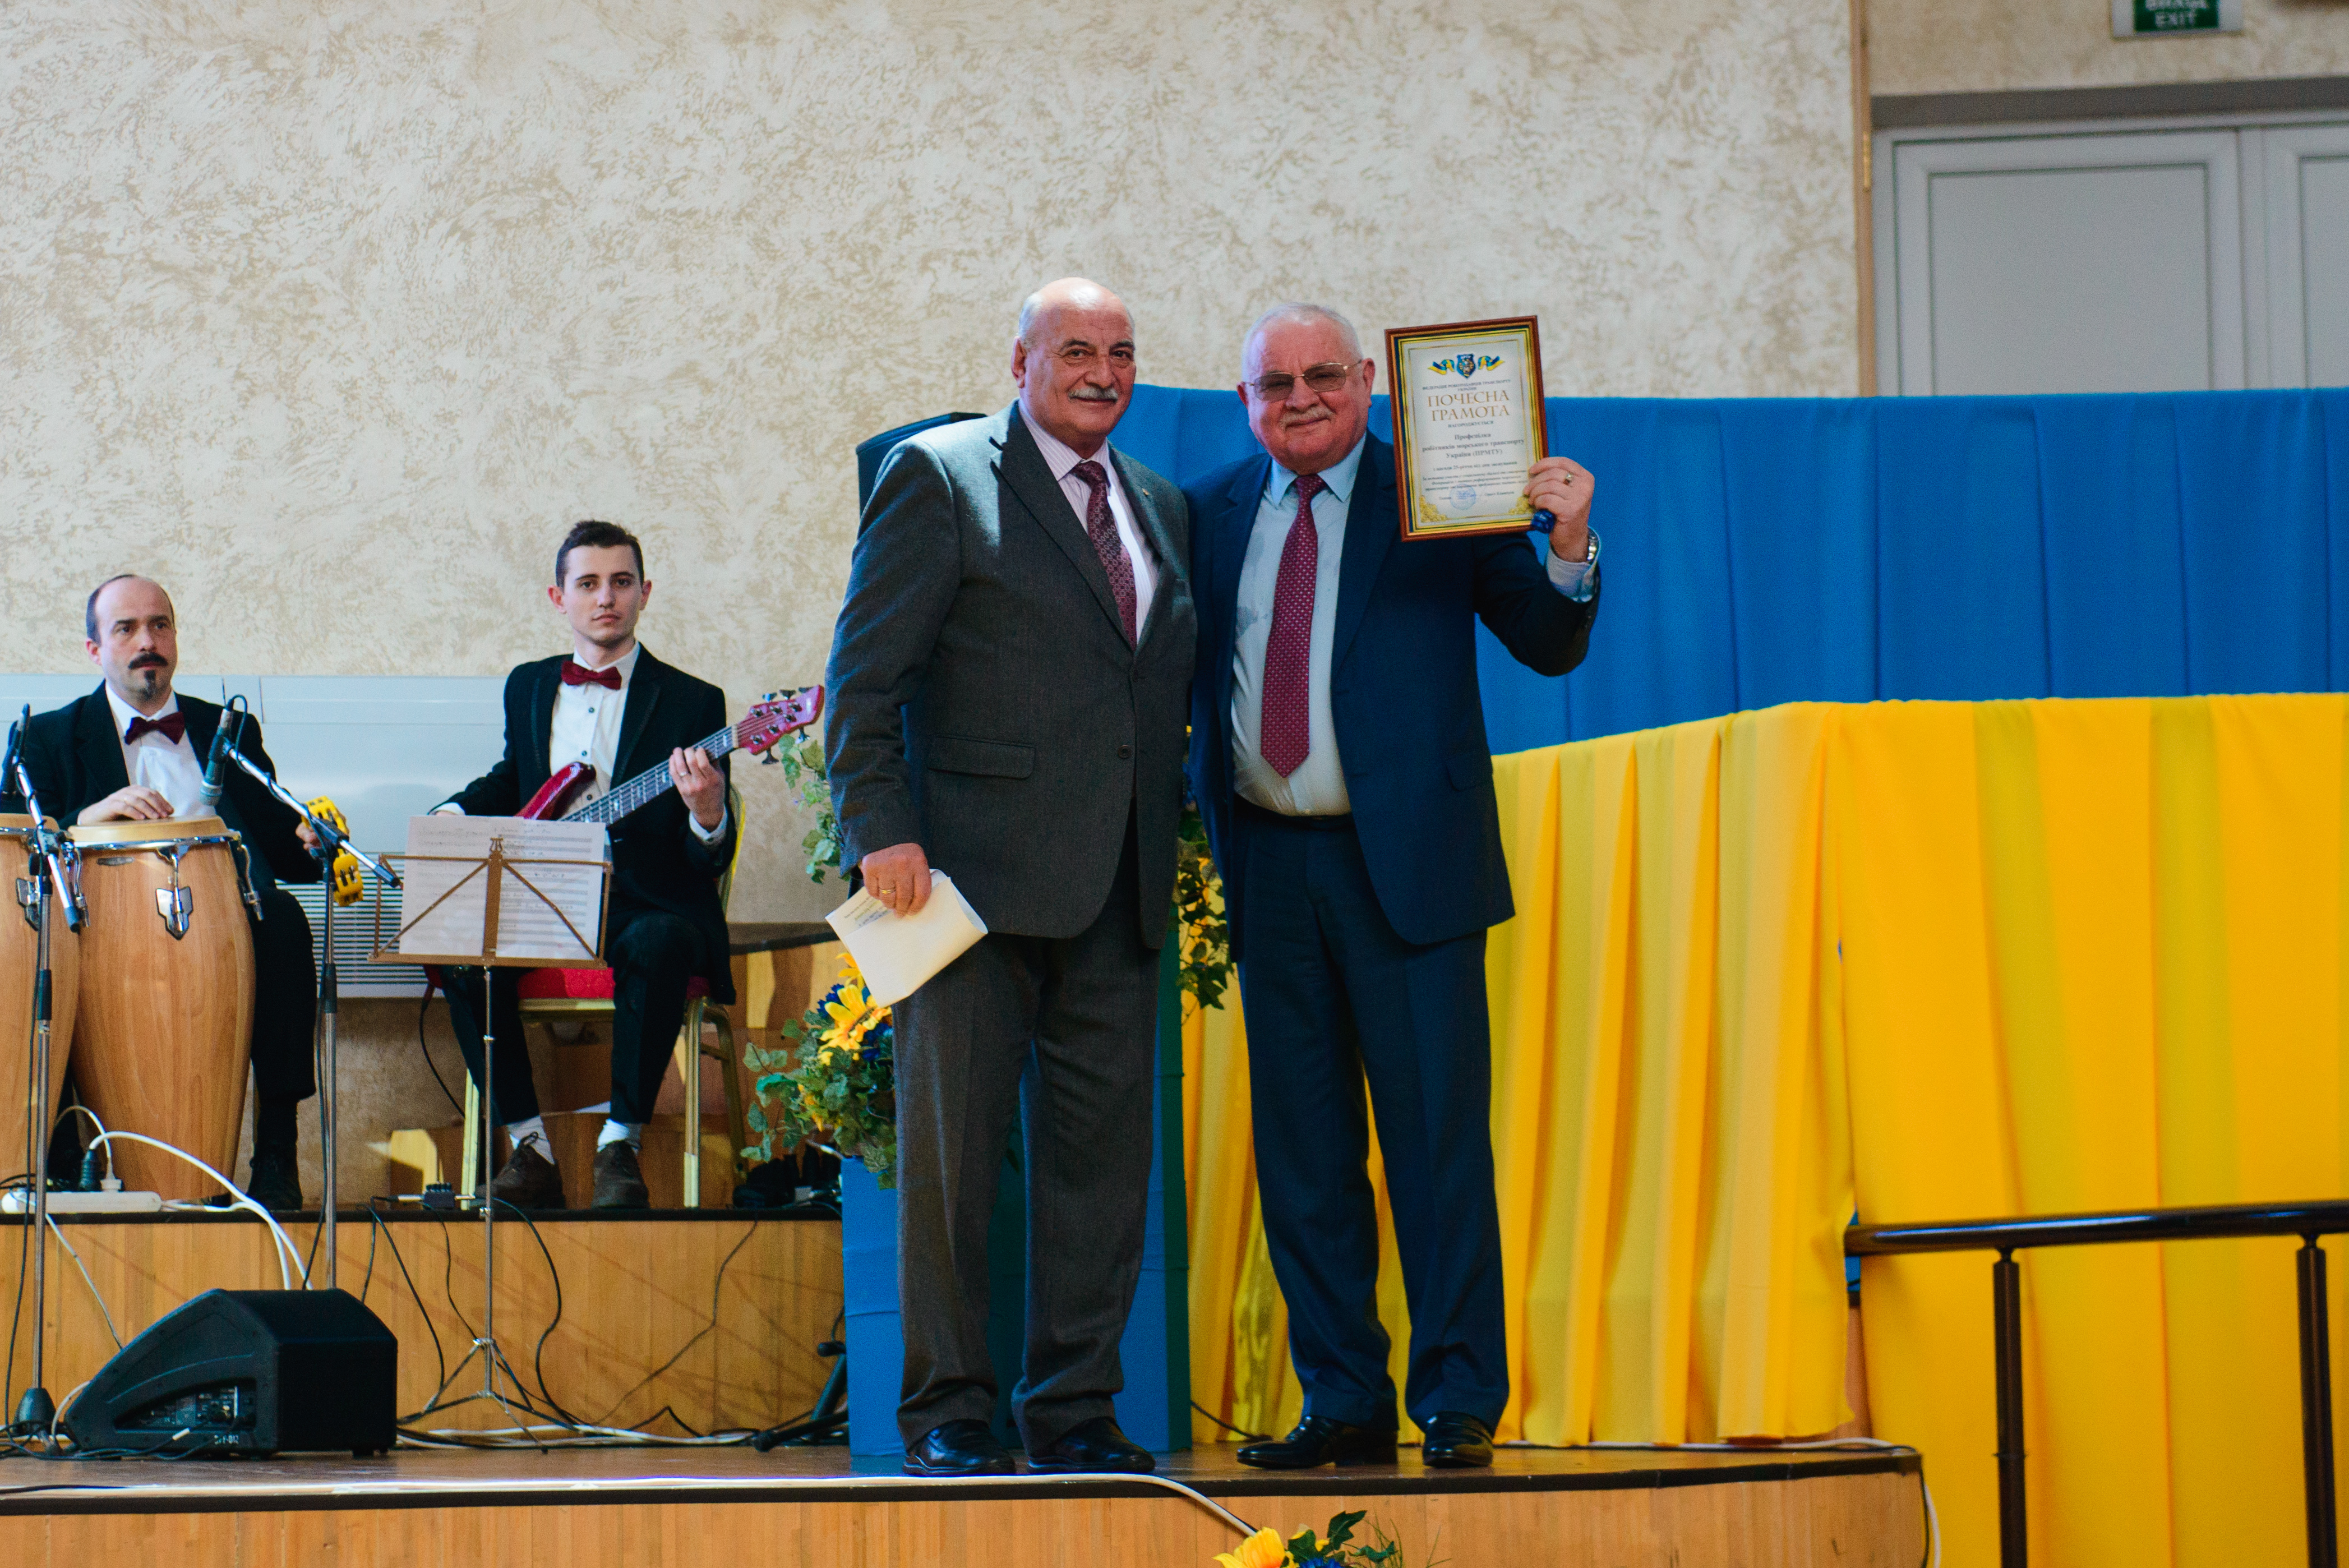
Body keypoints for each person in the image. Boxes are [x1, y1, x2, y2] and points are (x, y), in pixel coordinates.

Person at [1185, 303, 1601, 1470]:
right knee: (1304, 1158)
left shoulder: (1443, 495)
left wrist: (1569, 541)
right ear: (1244, 402)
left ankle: (1459, 1398)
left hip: (1410, 871)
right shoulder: (1209, 510)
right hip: (1269, 865)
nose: (1301, 398)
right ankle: (1342, 1400)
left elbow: (1547, 640)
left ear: (1368, 380)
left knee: (1434, 1149)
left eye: (1322, 375)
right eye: (1275, 384)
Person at [825, 278, 1195, 1478]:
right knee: (950, 1170)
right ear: (1020, 361)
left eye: (1121, 353)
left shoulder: (1160, 503)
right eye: (1075, 349)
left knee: (1102, 1176)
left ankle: (1075, 1412)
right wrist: (879, 828)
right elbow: (863, 679)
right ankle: (944, 1413)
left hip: (1118, 889)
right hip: (960, 890)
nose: (1102, 372)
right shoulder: (937, 476)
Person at [435, 519, 736, 1211]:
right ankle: (531, 1149)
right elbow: (514, 779)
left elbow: (703, 857)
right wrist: (453, 814)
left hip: (644, 899)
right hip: (543, 898)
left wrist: (708, 812)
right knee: (458, 955)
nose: (606, 598)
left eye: (621, 582)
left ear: (644, 593)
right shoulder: (528, 685)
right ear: (559, 597)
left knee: (659, 941)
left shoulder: (694, 701)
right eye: (590, 583)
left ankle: (620, 1145)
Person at [3, 575, 322, 1210]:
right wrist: (87, 818)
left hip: (226, 927)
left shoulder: (228, 729)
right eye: (125, 629)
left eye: (160, 625)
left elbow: (281, 846)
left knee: (284, 919)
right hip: (97, 929)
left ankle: (276, 1154)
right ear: (95, 649)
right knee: (39, 949)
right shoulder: (47, 737)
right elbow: (18, 844)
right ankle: (65, 1154)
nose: (147, 641)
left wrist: (314, 841)